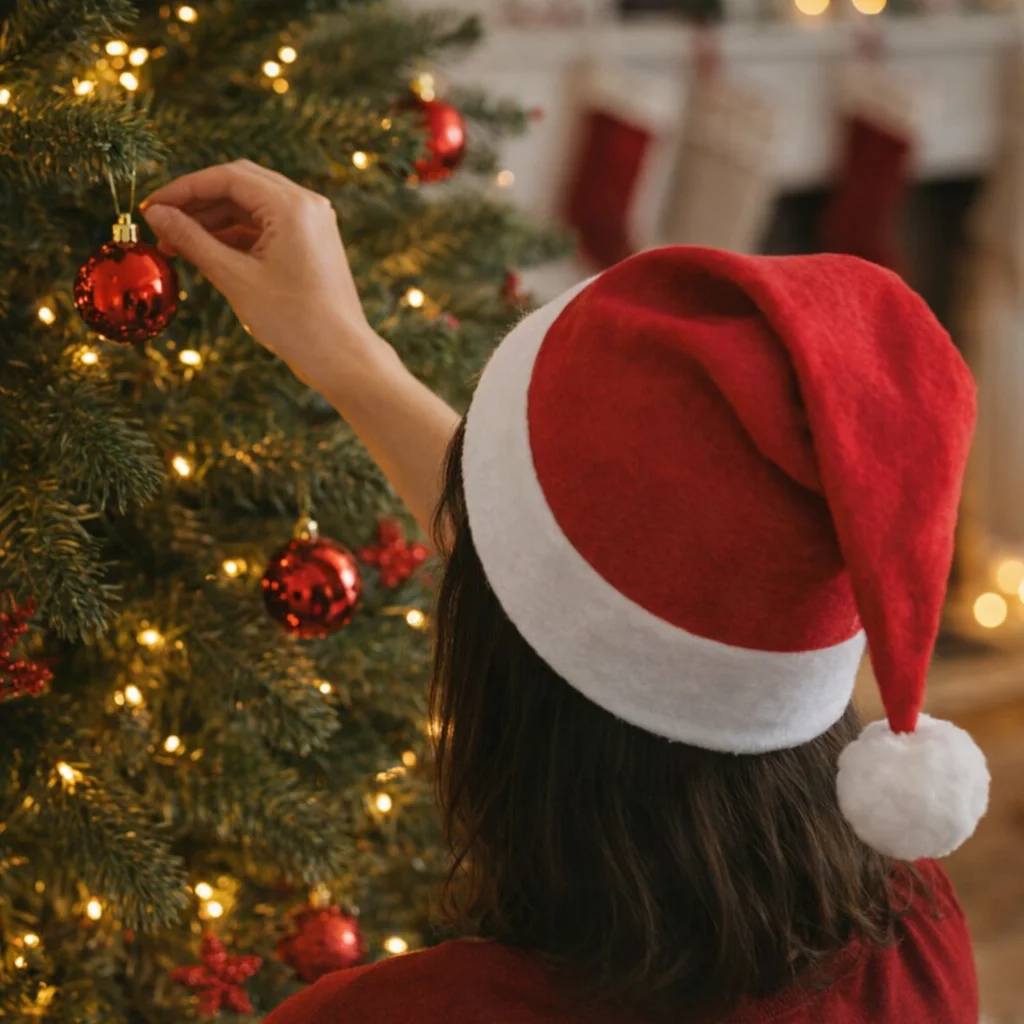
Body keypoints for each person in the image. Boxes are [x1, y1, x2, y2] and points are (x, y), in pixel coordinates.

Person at [141, 161, 990, 1024]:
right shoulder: (910, 922)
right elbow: (600, 603)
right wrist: (349, 355)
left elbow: (570, 594)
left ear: (499, 662)